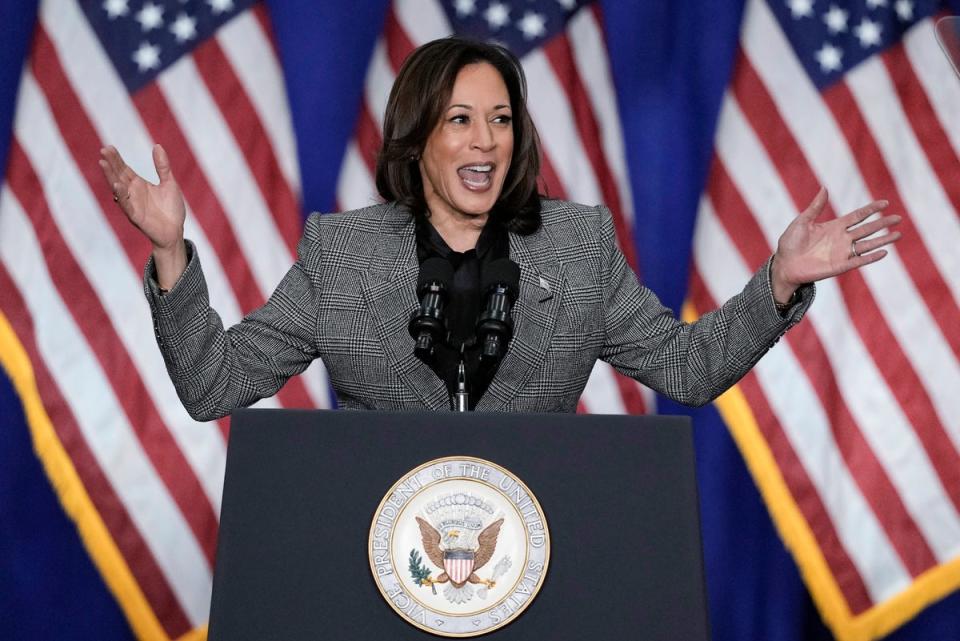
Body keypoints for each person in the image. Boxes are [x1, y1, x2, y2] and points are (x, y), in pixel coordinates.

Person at [98, 37, 900, 420]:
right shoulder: (339, 257)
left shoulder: (577, 247)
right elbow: (212, 385)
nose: (487, 141)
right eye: (461, 120)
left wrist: (781, 280)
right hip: (381, 569)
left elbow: (687, 368)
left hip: (541, 568)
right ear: (416, 140)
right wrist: (170, 249)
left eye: (502, 120)